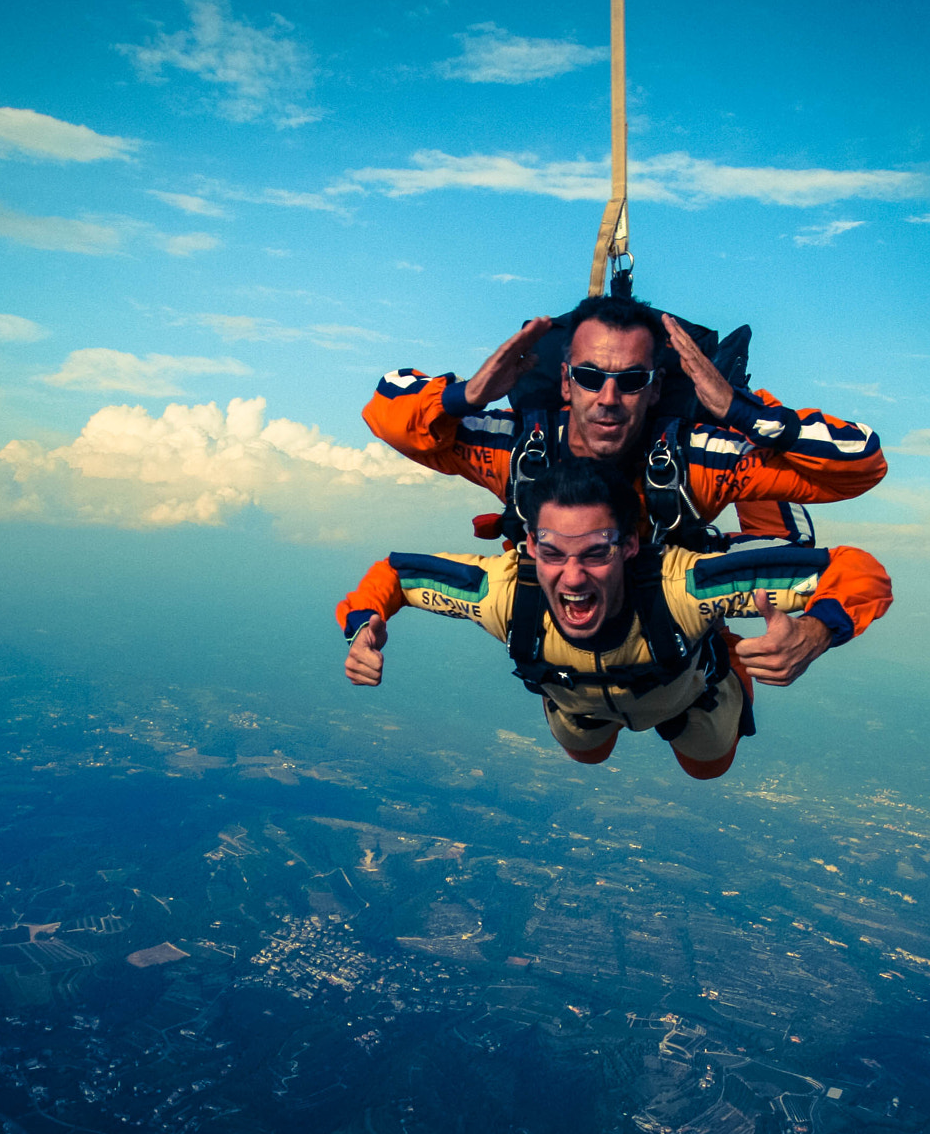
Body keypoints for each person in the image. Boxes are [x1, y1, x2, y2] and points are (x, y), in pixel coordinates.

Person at [338, 457, 891, 780]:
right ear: (528, 545)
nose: (572, 578)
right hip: (580, 701)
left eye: (596, 552)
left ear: (630, 546)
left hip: (687, 691)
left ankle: (759, 496)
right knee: (587, 751)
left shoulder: (683, 586)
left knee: (707, 764)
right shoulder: (508, 590)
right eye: (553, 553)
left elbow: (856, 570)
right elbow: (399, 575)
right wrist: (364, 623)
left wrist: (817, 632)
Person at [363, 293, 886, 548]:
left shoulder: (697, 459)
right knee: (584, 738)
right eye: (590, 376)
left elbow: (863, 463)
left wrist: (739, 411)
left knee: (706, 760)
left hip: (671, 609)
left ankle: (729, 389)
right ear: (565, 382)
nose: (608, 398)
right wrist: (467, 396)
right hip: (575, 630)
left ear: (656, 387)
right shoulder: (521, 449)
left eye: (631, 381)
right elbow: (386, 410)